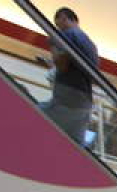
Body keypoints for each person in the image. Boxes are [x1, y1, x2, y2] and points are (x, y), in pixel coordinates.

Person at [39, 8, 98, 144]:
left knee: (32, 116)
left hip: (68, 94)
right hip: (85, 100)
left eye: (58, 24)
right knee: (75, 143)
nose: (58, 28)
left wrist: (53, 44)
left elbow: (62, 65)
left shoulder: (67, 34)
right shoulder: (90, 44)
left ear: (64, 18)